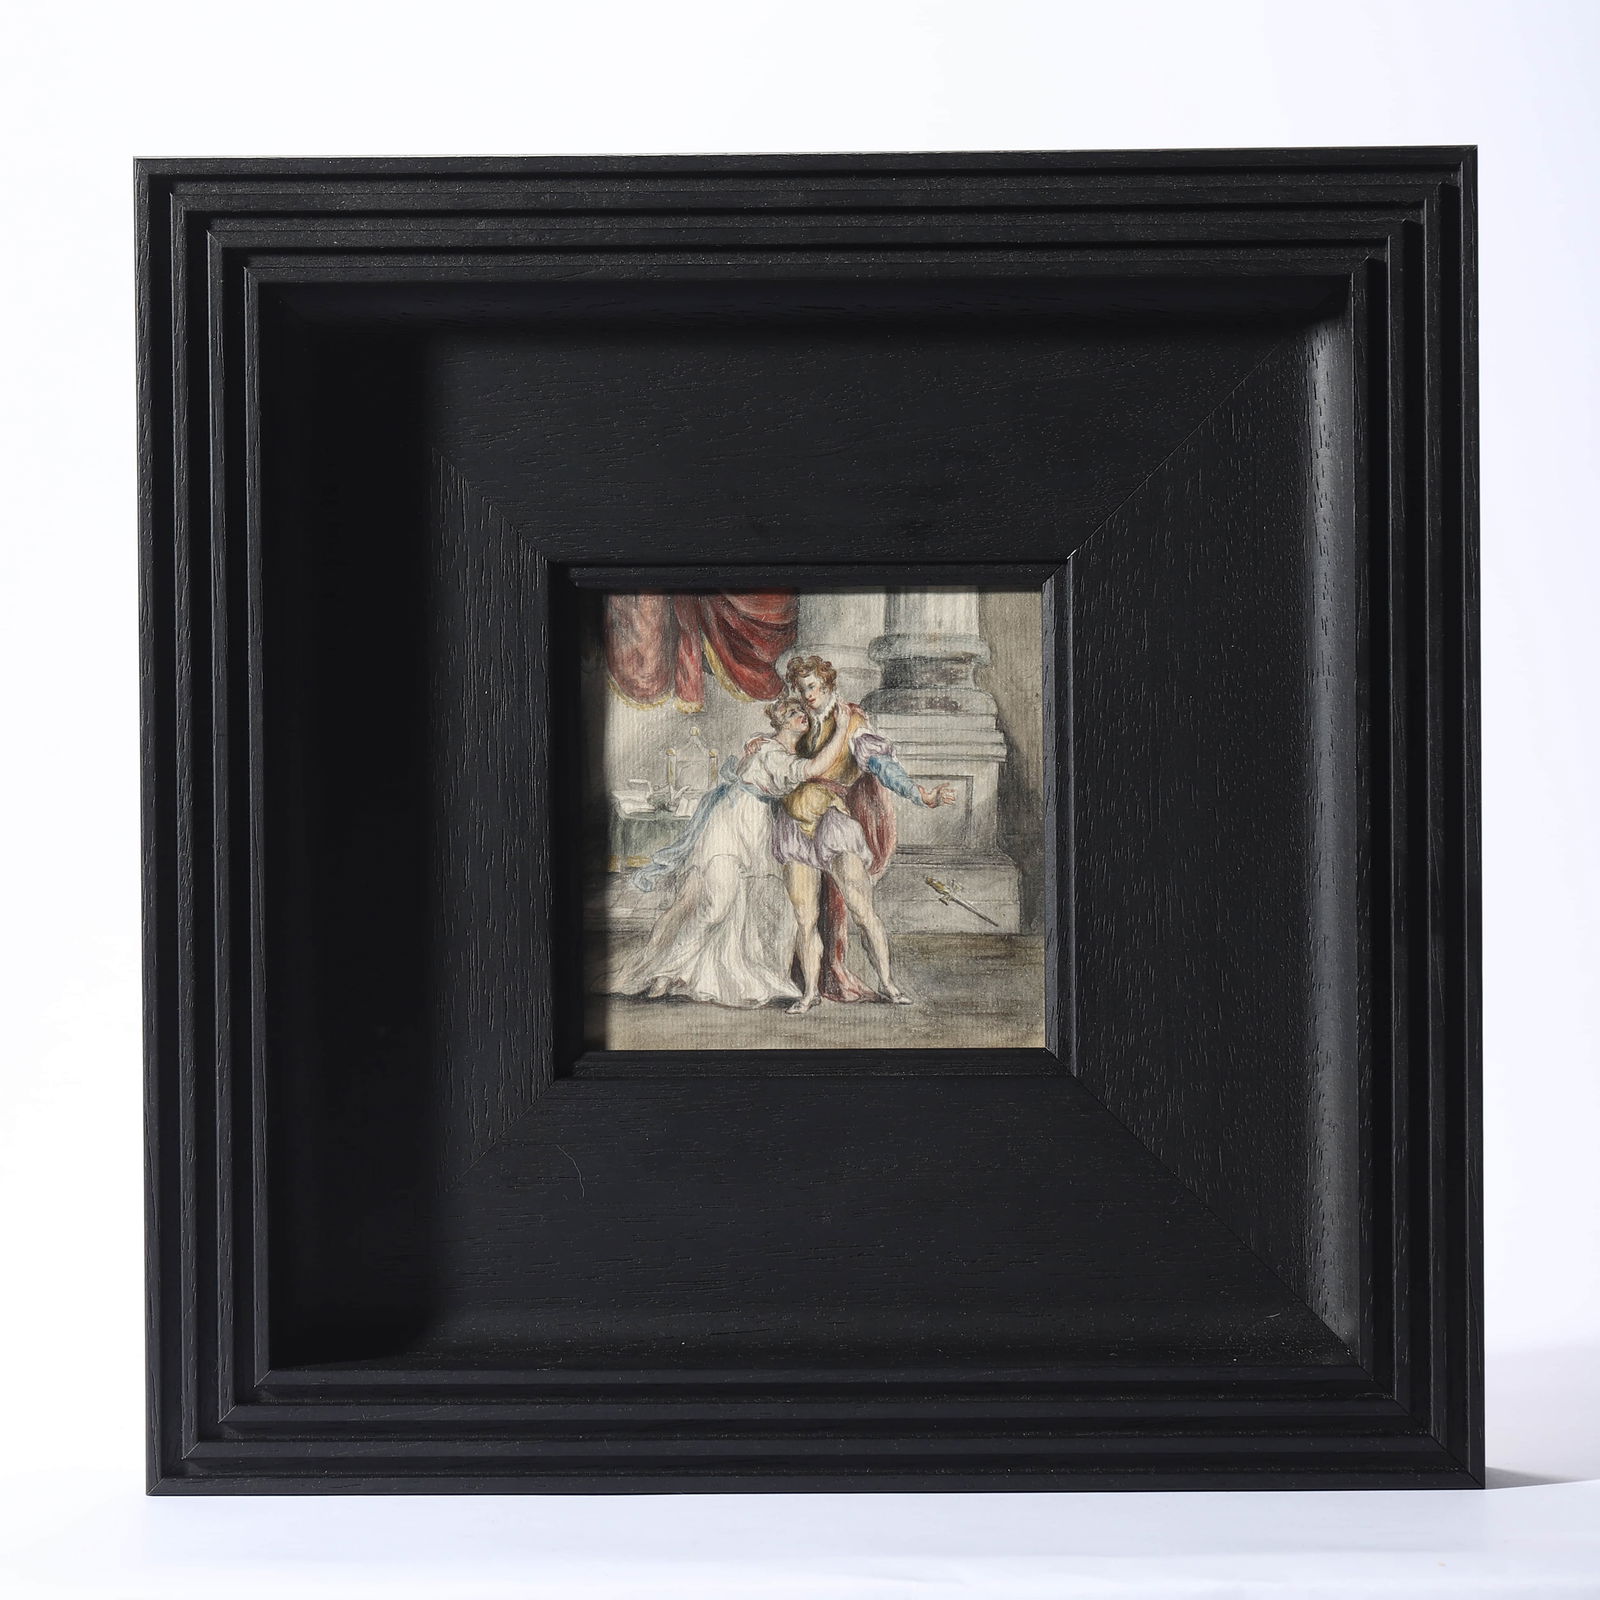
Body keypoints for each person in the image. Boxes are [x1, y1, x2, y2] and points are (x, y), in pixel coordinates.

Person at [599, 696, 852, 1009]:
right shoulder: (769, 750)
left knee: (749, 907)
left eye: (802, 711)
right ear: (780, 722)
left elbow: (806, 767)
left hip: (756, 827)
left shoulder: (775, 749)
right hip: (729, 822)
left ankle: (690, 971)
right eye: (792, 712)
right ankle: (666, 971)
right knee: (716, 905)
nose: (801, 715)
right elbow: (812, 768)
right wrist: (842, 729)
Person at [776, 655, 956, 1012]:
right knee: (805, 918)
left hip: (833, 825)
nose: (807, 695)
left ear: (827, 683)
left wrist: (922, 795)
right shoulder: (796, 720)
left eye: (812, 686)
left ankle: (888, 983)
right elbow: (774, 755)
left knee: (862, 910)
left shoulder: (853, 722)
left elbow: (883, 767)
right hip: (795, 826)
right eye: (801, 688)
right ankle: (810, 992)